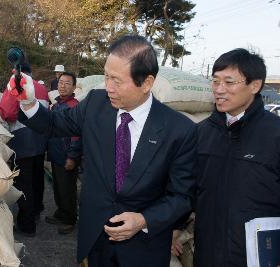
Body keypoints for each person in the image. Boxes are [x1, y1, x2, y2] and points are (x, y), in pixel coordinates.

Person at [14, 35, 197, 266]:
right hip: (96, 237)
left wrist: (143, 220)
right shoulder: (95, 104)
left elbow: (182, 196)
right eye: (106, 76)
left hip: (144, 248)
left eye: (117, 81)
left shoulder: (179, 130)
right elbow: (54, 123)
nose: (108, 87)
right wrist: (29, 103)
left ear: (147, 82)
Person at [194, 48, 280, 267]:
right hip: (207, 252)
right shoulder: (201, 133)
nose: (219, 90)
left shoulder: (275, 133)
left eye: (229, 83)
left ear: (255, 85)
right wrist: (175, 228)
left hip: (258, 257)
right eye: (215, 82)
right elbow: (187, 188)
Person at [0, 63, 49, 237]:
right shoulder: (41, 87)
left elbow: (8, 112)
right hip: (40, 140)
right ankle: (36, 212)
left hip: (22, 140)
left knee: (23, 183)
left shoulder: (16, 85)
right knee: (37, 179)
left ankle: (26, 224)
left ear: (17, 73)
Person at [45, 72, 82, 235]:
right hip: (56, 150)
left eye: (67, 83)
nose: (63, 86)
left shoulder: (74, 106)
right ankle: (61, 212)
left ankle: (70, 219)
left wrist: (72, 156)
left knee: (68, 188)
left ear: (74, 87)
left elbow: (78, 134)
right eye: (61, 83)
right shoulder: (56, 104)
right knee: (58, 186)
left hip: (67, 153)